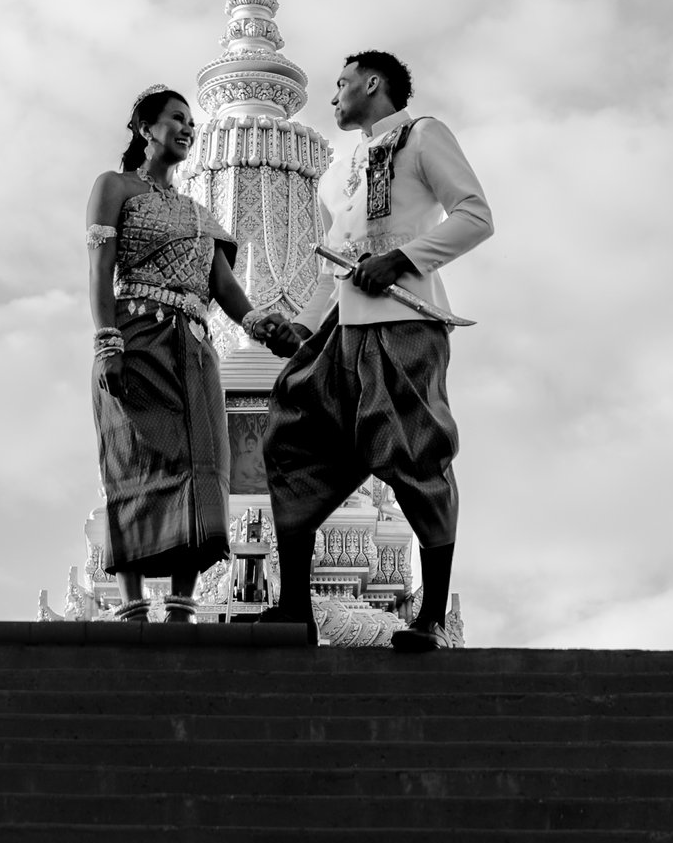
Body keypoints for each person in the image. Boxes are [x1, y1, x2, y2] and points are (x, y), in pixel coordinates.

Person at [248, 49, 493, 653]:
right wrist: (299, 329)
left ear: (373, 83)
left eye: (341, 84)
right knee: (290, 437)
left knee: (414, 454)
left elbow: (475, 215)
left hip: (404, 323)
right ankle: (294, 607)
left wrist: (403, 260)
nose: (333, 97)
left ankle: (431, 618)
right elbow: (338, 271)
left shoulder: (421, 136)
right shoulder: (339, 173)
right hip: (342, 335)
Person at [86, 87, 296, 621]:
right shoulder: (114, 187)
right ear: (143, 127)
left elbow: (223, 287)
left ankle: (182, 606)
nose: (187, 129)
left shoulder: (198, 213)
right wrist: (107, 340)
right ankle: (133, 607)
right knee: (134, 459)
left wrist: (261, 324)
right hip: (136, 339)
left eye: (192, 123)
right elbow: (100, 269)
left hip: (194, 349)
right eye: (177, 119)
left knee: (202, 465)